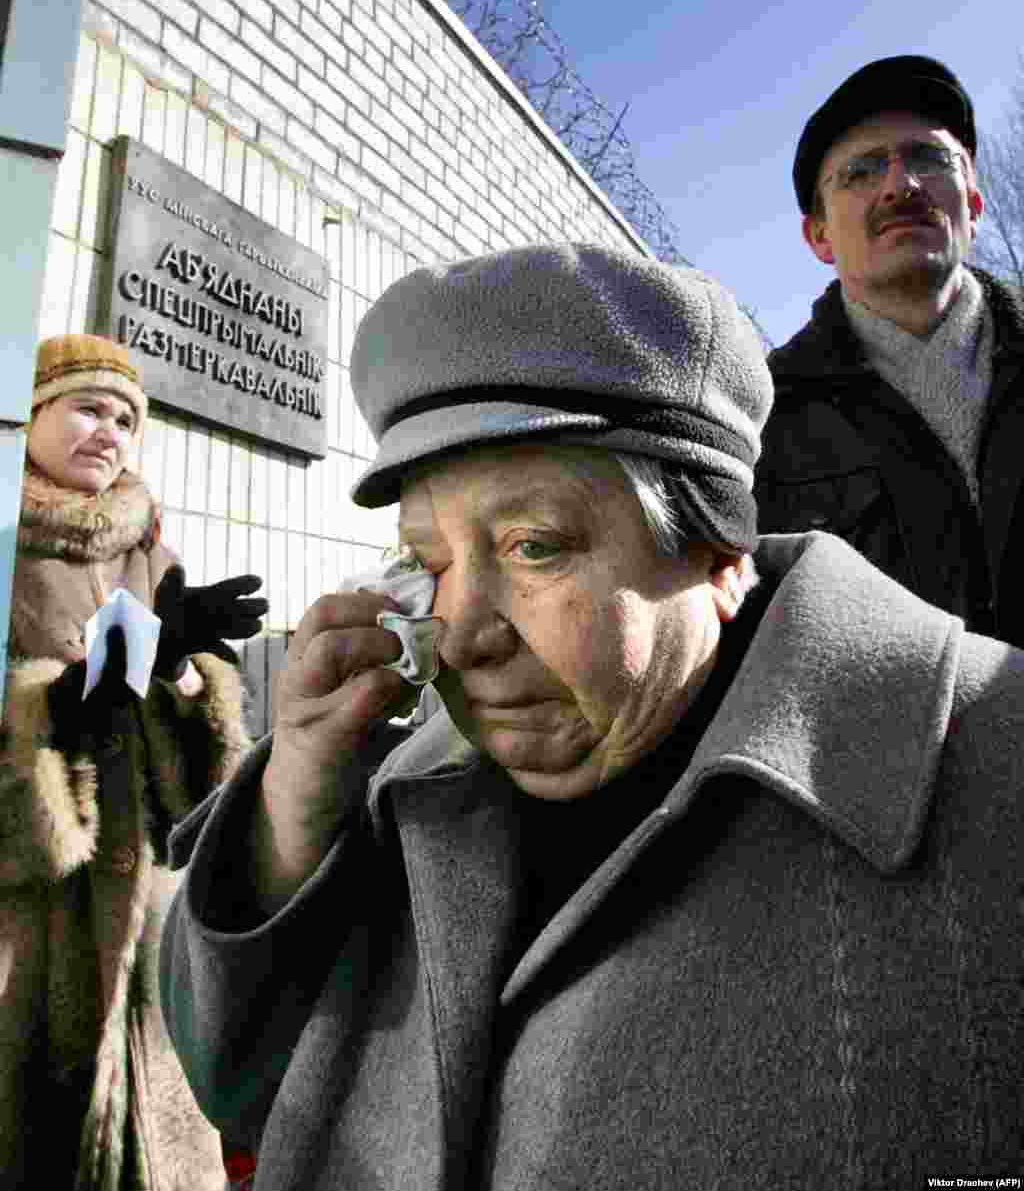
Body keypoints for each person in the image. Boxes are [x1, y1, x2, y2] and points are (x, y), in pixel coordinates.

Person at [161, 245, 1022, 1190]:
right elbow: (231, 1088)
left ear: (718, 553)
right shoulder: (384, 787)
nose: (460, 633)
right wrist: (291, 813)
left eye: (534, 547)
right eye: (428, 557)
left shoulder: (993, 766)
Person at [0, 334, 268, 1188]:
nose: (108, 431)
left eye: (126, 419)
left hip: (143, 872)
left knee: (153, 1118)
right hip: (34, 898)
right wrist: (66, 701)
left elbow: (205, 745)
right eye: (85, 406)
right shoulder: (8, 527)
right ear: (33, 412)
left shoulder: (146, 536)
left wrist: (189, 678)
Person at [755, 54, 1024, 644]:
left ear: (974, 205)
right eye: (861, 172)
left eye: (928, 159)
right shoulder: (765, 420)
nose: (900, 185)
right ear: (819, 235)